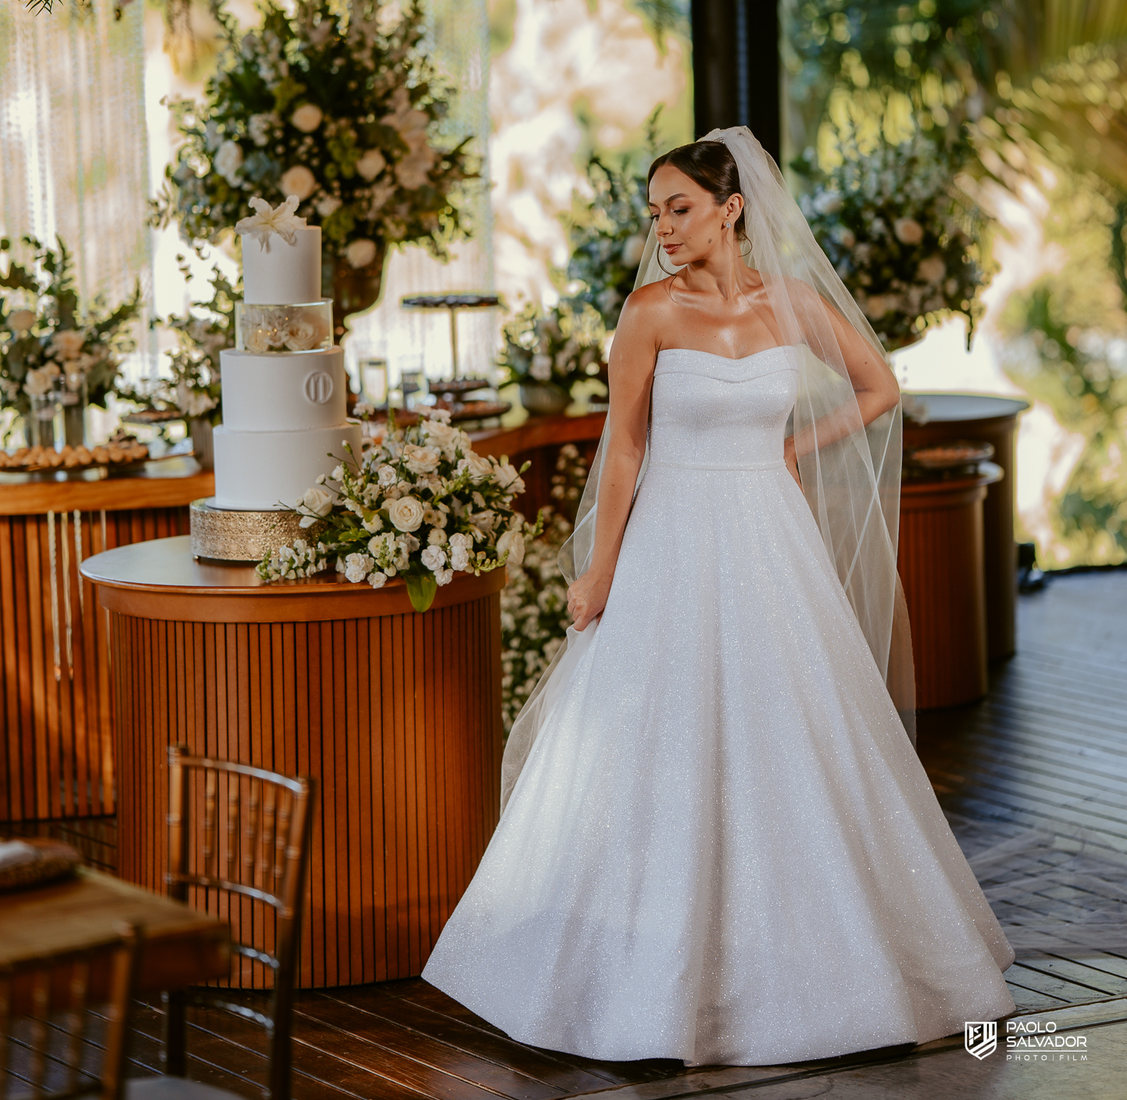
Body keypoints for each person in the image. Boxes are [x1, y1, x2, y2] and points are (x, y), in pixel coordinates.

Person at [422, 128, 1014, 1067]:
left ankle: (825, 969)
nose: (662, 227)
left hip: (769, 536)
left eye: (679, 208)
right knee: (654, 740)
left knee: (794, 732)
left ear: (732, 209)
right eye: (653, 212)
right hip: (670, 541)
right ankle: (633, 985)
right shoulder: (649, 315)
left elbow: (877, 388)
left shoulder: (793, 303)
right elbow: (622, 451)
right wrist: (602, 568)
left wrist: (789, 450)